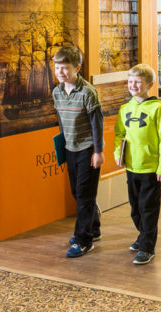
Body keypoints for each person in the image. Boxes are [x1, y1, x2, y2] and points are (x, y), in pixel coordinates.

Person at [115, 64, 161, 265]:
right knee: (135, 209)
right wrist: (118, 153)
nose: (133, 85)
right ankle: (143, 236)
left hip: (151, 169)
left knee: (148, 209)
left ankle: (148, 247)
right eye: (130, 82)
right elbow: (119, 135)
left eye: (138, 82)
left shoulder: (158, 109)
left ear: (150, 84)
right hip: (132, 167)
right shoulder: (125, 109)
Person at [51, 45, 104, 258]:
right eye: (57, 68)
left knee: (84, 194)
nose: (61, 72)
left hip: (87, 148)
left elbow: (97, 124)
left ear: (77, 68)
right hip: (70, 148)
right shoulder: (57, 92)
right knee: (78, 192)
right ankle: (94, 227)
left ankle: (84, 240)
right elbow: (62, 122)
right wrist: (62, 145)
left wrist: (98, 151)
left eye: (65, 68)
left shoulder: (88, 92)